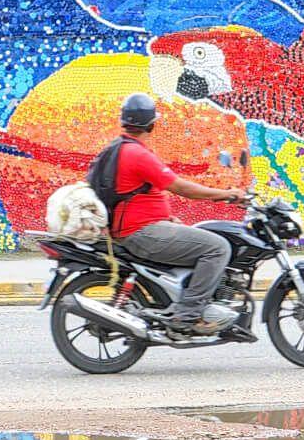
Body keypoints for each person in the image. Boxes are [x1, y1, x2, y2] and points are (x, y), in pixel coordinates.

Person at [87, 92, 248, 335]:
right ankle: (188, 315)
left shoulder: (119, 148)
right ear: (151, 124)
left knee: (199, 235)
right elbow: (181, 188)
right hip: (141, 233)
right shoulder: (137, 154)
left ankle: (186, 301)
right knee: (218, 247)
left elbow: (138, 193)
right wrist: (225, 194)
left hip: (138, 228)